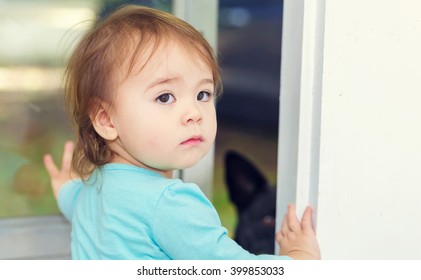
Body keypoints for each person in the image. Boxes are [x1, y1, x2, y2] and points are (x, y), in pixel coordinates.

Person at [43, 5, 320, 260]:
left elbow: (74, 201)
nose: (194, 113)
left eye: (203, 93)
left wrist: (65, 187)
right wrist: (299, 256)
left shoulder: (95, 187)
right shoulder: (171, 205)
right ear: (106, 120)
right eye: (165, 97)